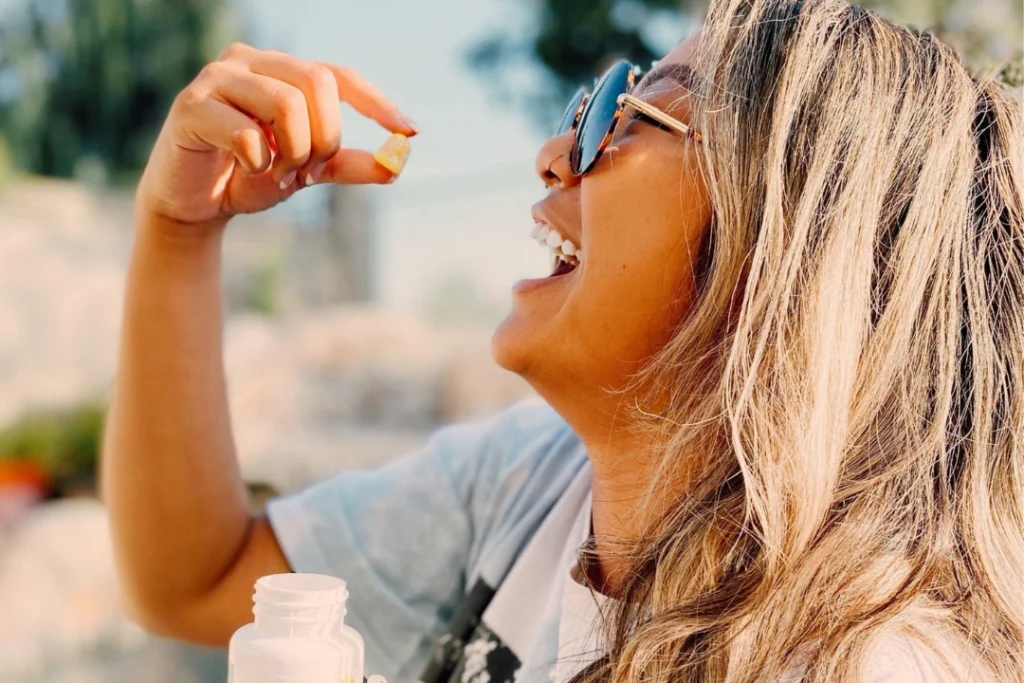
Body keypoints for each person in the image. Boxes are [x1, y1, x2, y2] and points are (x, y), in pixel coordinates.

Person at [101, 0, 1023, 681]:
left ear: (786, 251)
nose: (554, 152)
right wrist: (180, 230)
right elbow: (199, 580)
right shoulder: (530, 484)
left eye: (630, 111)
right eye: (590, 105)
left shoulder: (870, 666)